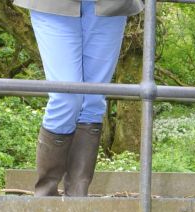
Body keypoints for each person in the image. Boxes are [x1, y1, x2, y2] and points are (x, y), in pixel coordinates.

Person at [14, 0, 143, 196]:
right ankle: (45, 198)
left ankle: (77, 199)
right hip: (53, 6)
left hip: (110, 5)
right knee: (66, 98)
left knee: (93, 100)